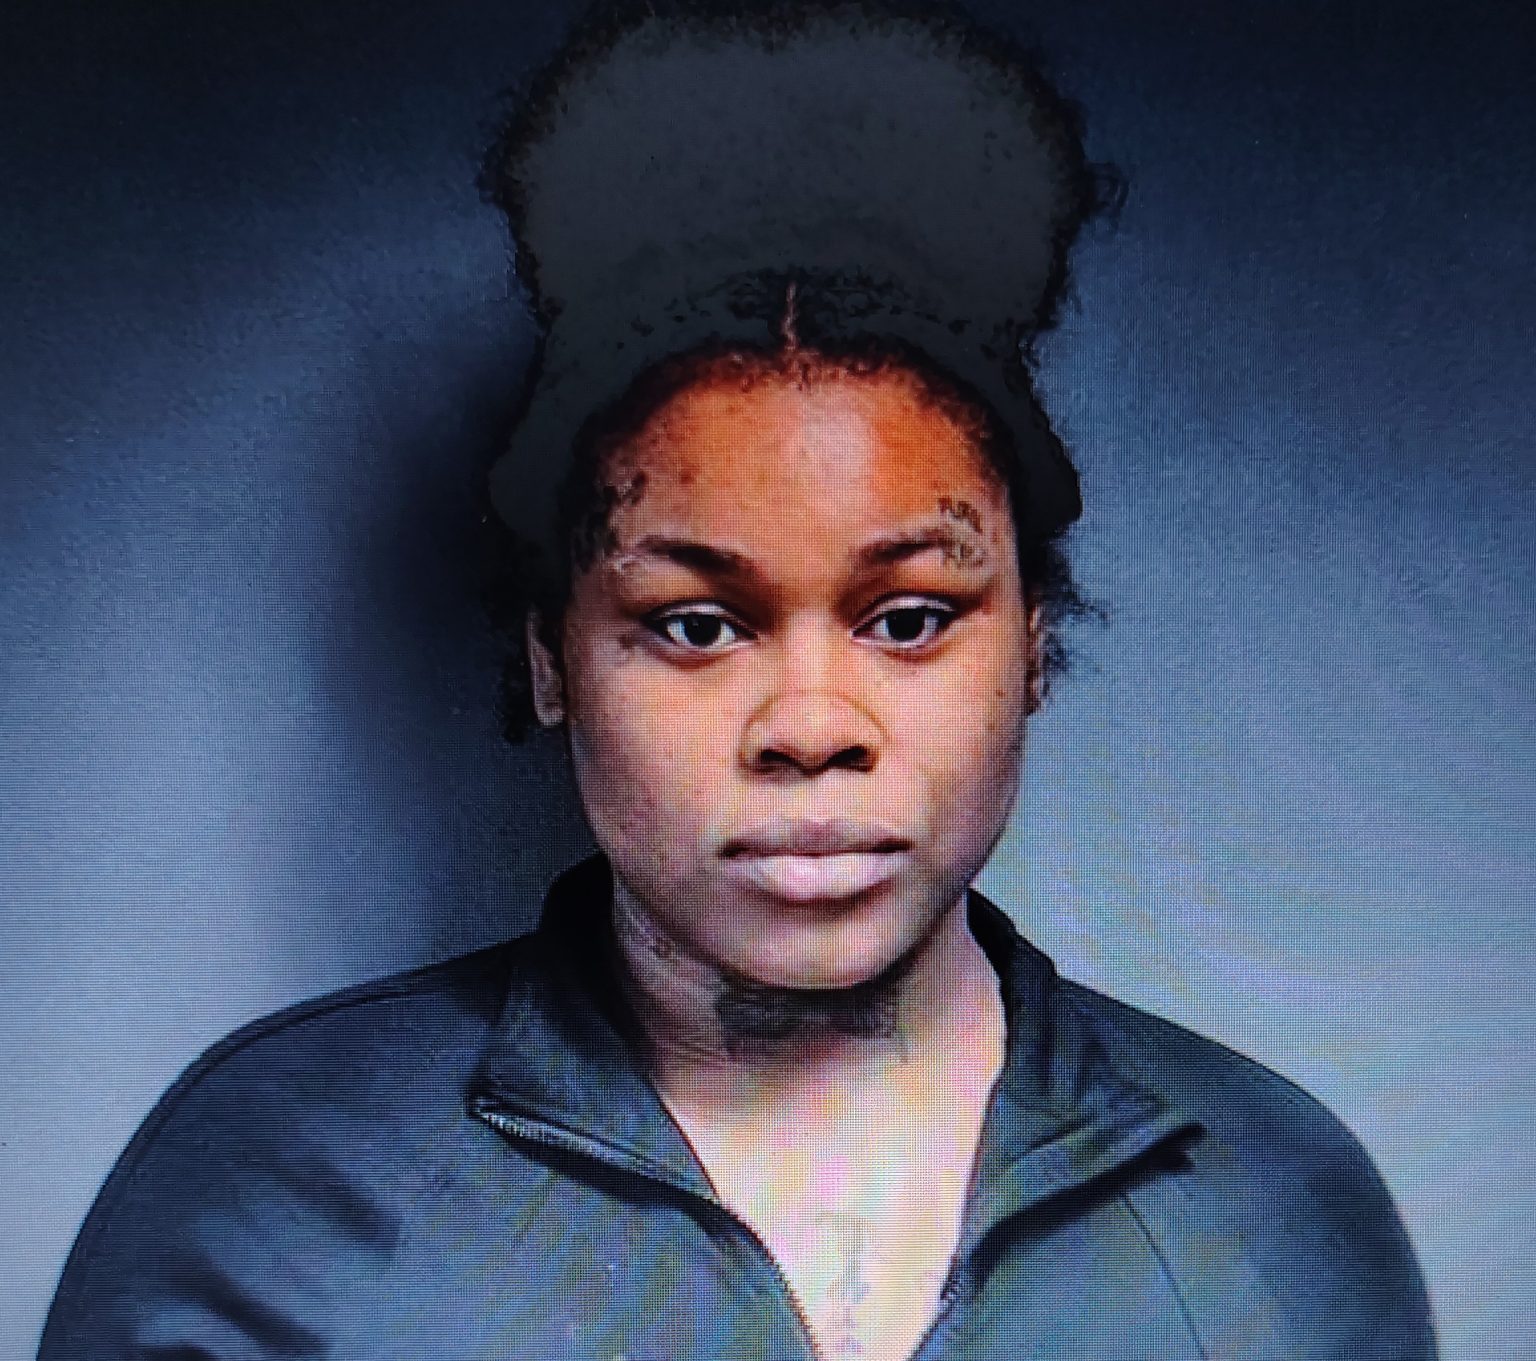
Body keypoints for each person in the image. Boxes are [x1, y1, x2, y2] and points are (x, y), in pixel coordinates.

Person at [38, 1, 1438, 1358]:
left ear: (1034, 644)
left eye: (909, 618)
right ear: (549, 655)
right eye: (699, 626)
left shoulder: (1275, 1219)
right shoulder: (268, 1201)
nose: (811, 727)